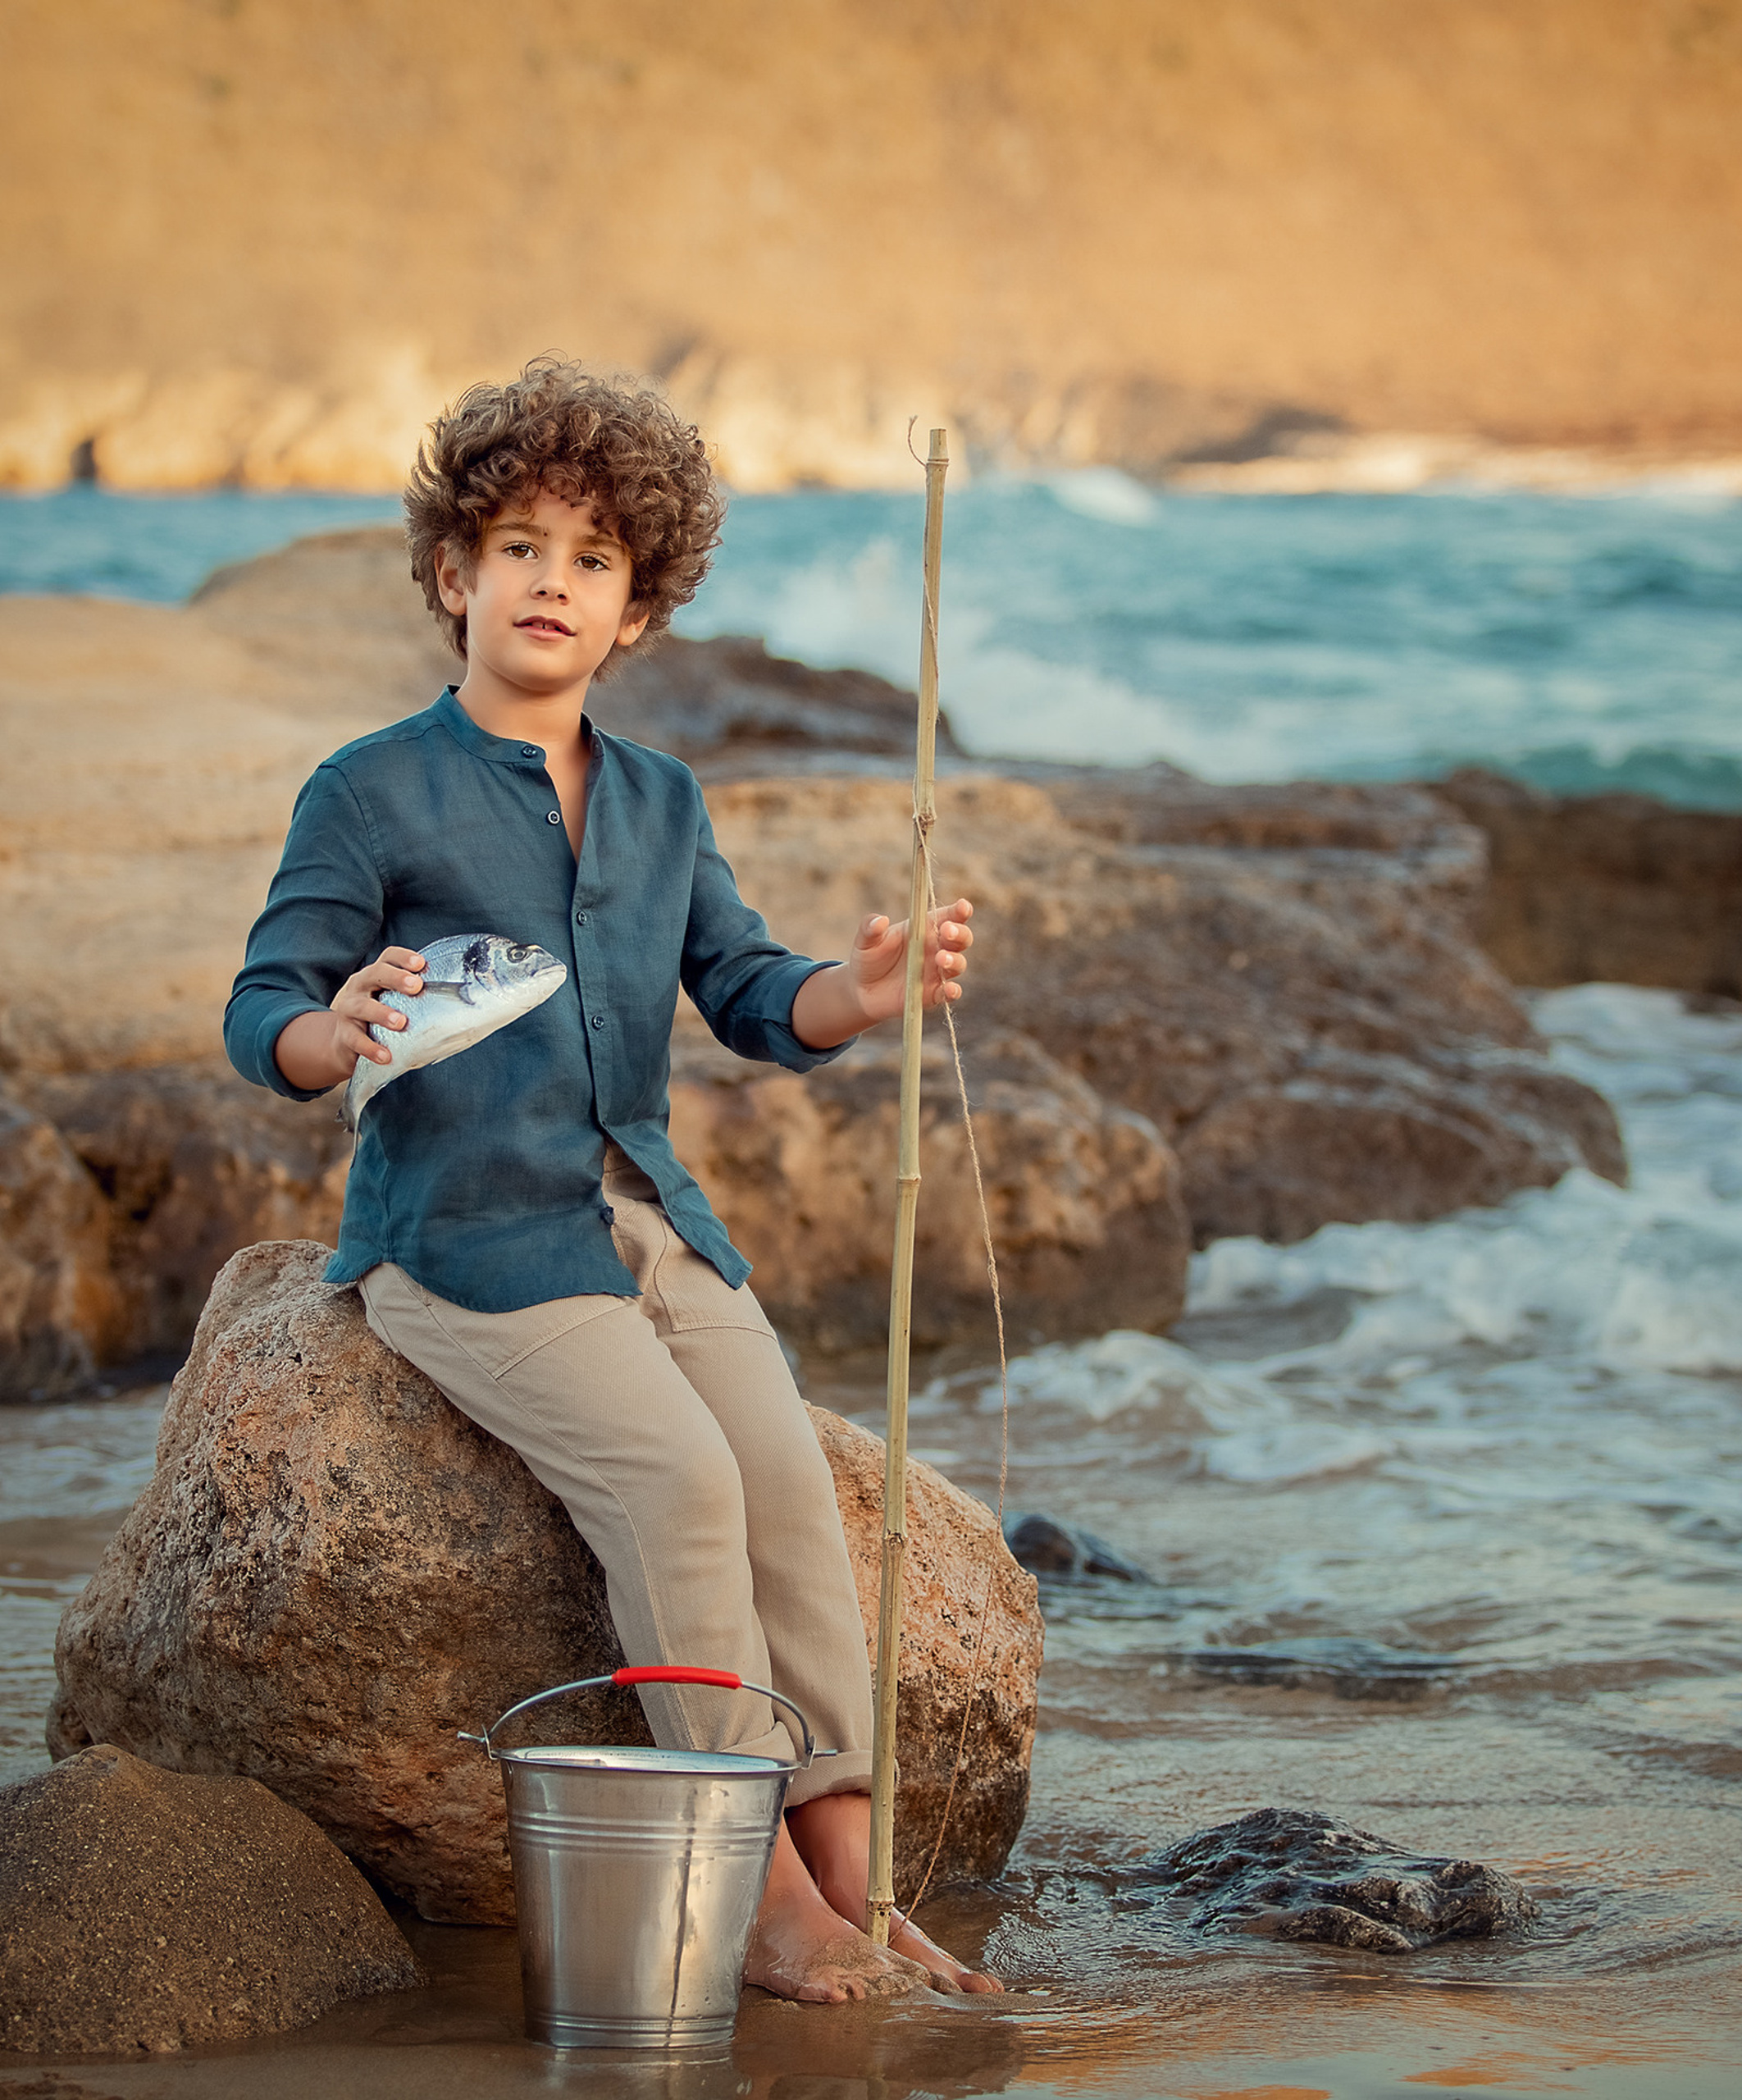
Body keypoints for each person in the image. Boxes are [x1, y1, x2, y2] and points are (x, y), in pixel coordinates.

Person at [223, 355, 996, 2002]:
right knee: (675, 1483)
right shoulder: (371, 789)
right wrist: (330, 1030)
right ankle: (765, 1897)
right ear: (454, 573)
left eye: (591, 556)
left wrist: (860, 991)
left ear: (638, 605)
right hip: (461, 1236)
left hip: (642, 1215)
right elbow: (262, 1007)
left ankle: (852, 1860)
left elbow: (747, 989)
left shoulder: (660, 798)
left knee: (787, 1489)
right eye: (517, 545)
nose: (551, 579)